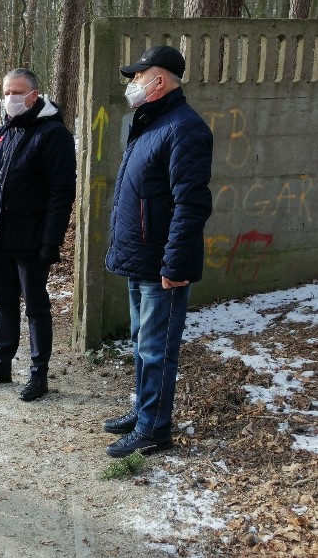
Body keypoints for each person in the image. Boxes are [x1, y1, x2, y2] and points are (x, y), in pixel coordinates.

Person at [102, 45, 213, 458]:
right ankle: (142, 412)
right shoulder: (150, 124)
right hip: (142, 258)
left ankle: (154, 428)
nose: (132, 84)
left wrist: (175, 263)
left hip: (163, 265)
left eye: (137, 77)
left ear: (159, 80)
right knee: (141, 343)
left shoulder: (185, 128)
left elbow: (192, 203)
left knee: (157, 349)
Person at [0, 68, 76, 401]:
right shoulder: (1, 135)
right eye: (5, 93)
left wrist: (51, 240)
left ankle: (38, 374)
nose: (10, 99)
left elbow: (61, 192)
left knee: (36, 307)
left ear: (33, 95)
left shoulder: (53, 134)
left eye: (16, 92)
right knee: (4, 303)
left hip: (31, 238)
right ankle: (1, 364)